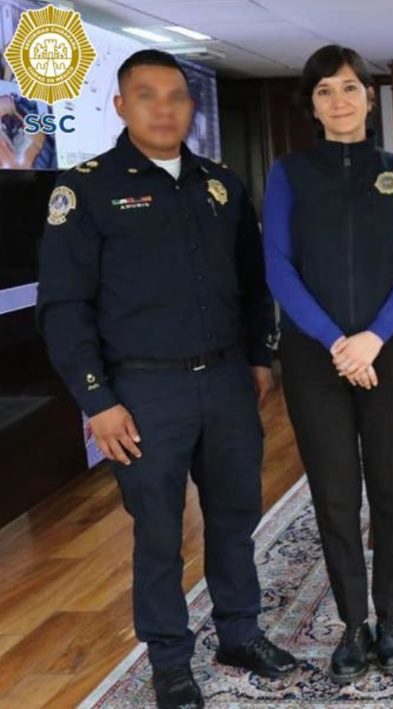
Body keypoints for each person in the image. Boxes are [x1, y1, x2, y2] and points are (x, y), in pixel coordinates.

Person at [36, 50, 295, 709]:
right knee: (158, 531)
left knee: (235, 518)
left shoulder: (221, 186)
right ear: (120, 106)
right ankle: (170, 660)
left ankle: (239, 631)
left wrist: (260, 359)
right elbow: (64, 307)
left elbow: (253, 282)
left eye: (176, 95)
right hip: (144, 392)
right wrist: (98, 400)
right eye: (146, 95)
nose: (163, 107)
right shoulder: (86, 188)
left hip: (228, 383)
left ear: (191, 105)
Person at [262, 45, 393, 681]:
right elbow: (279, 267)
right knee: (336, 495)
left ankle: (391, 620)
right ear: (312, 103)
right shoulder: (289, 173)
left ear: (369, 98)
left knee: (391, 490)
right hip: (314, 357)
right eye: (327, 90)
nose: (340, 100)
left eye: (351, 88)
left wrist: (373, 339)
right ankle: (352, 624)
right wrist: (339, 341)